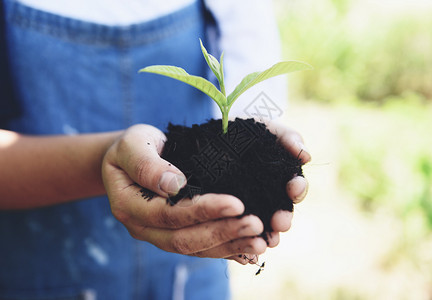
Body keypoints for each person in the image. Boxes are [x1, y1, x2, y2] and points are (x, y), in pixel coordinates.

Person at [0, 0, 311, 299]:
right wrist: (104, 159)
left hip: (194, 266)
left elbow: (251, 50)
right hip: (42, 266)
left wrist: (253, 138)